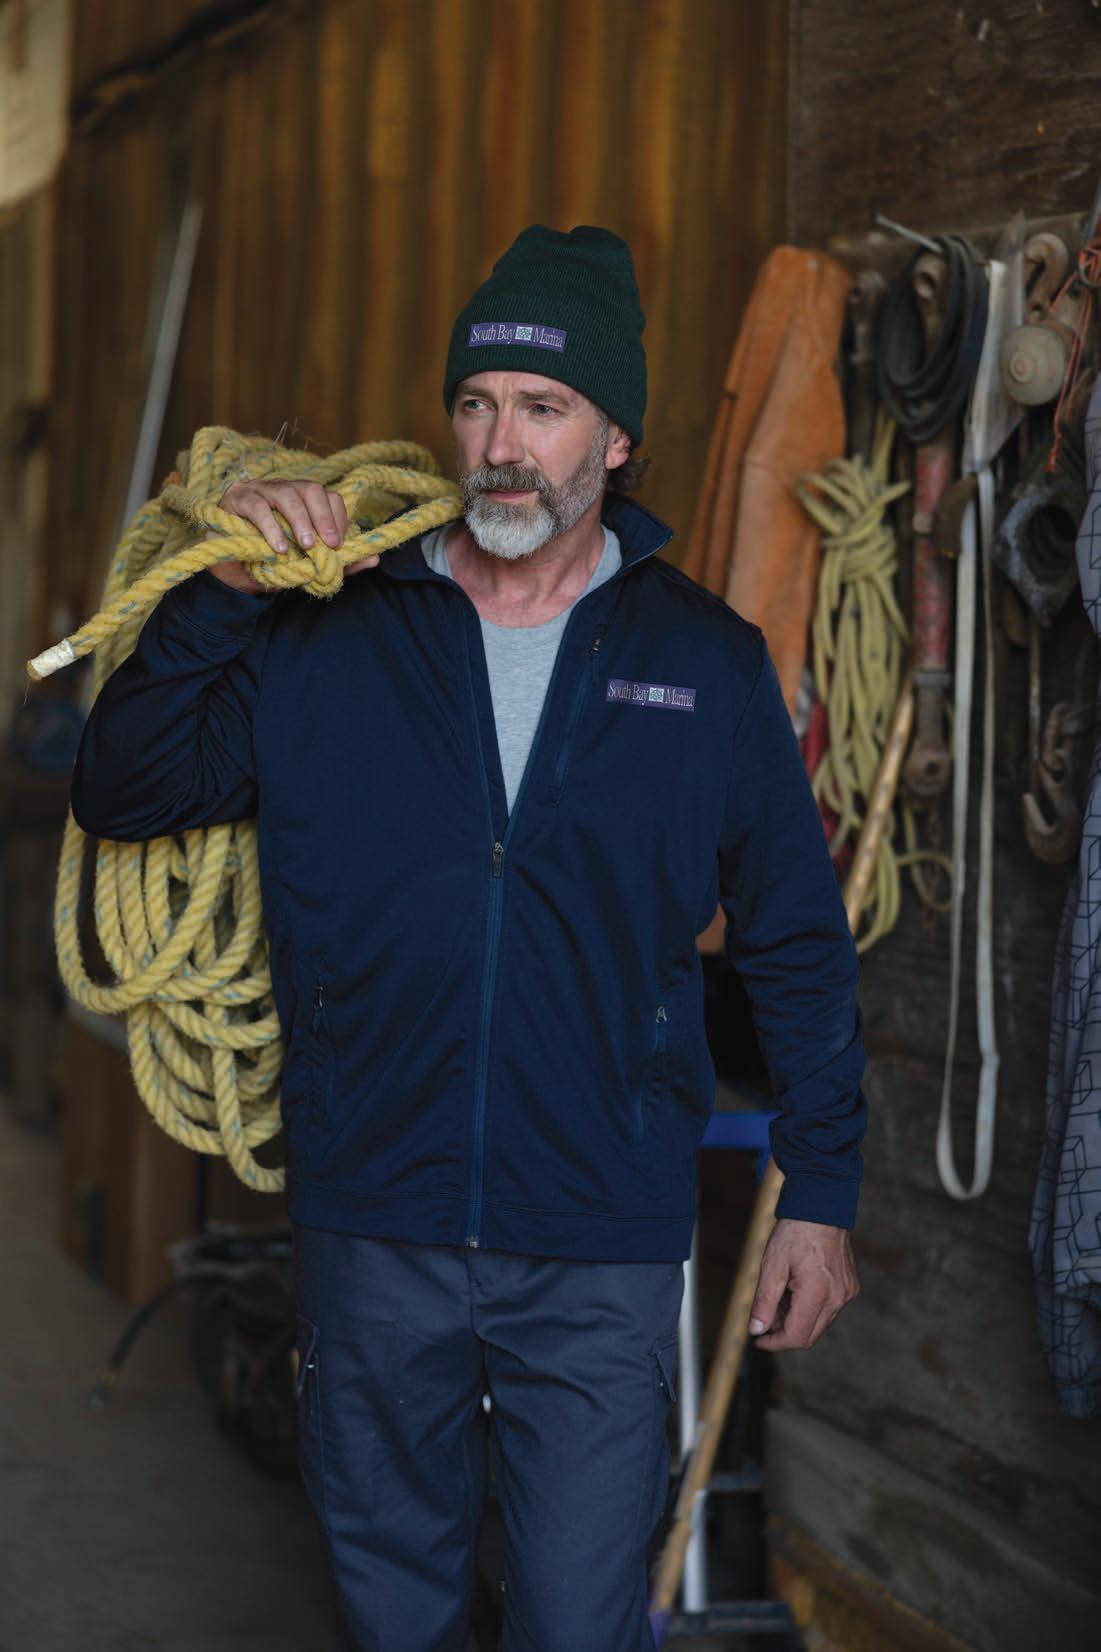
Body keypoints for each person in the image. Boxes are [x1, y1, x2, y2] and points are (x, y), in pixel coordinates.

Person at [70, 225, 865, 1652]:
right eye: (479, 403)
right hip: (373, 1210)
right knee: (394, 1609)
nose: (503, 446)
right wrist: (218, 594)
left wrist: (822, 1191)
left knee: (575, 1616)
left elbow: (797, 938)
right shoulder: (326, 630)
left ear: (615, 439)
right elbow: (125, 791)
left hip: (600, 1229)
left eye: (545, 408)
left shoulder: (701, 663)